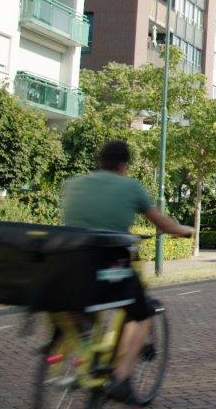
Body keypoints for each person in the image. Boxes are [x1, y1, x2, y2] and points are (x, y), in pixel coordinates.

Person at [61, 140, 193, 403]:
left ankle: (90, 347)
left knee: (85, 303)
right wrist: (183, 230)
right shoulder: (130, 186)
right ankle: (120, 379)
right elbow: (161, 223)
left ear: (100, 162)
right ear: (123, 166)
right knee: (141, 313)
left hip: (68, 265)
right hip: (109, 265)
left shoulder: (74, 184)